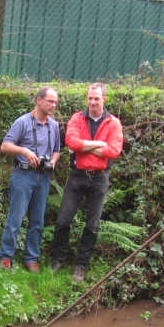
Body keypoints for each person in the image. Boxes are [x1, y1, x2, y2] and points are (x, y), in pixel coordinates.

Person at [49, 83, 124, 282]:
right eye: (90, 98)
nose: (92, 102)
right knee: (64, 220)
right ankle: (58, 259)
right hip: (78, 175)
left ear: (104, 100)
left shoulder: (114, 123)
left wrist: (85, 147)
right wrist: (100, 145)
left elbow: (114, 151)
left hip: (100, 178)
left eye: (96, 99)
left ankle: (80, 266)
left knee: (92, 225)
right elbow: (71, 142)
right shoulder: (77, 118)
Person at [0, 86, 61, 273]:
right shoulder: (23, 122)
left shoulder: (54, 126)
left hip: (43, 177)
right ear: (39, 100)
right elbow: (5, 146)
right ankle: (6, 256)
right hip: (23, 175)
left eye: (56, 102)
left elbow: (57, 150)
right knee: (15, 218)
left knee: (37, 221)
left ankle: (31, 258)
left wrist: (54, 161)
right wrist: (24, 151)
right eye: (50, 101)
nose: (53, 105)